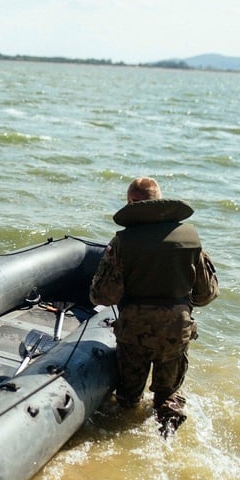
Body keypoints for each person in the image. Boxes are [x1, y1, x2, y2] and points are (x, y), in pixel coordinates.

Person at [89, 177, 218, 437]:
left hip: (134, 332)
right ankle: (167, 435)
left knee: (127, 399)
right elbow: (206, 294)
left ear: (131, 203)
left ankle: (120, 438)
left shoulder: (122, 242)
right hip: (176, 331)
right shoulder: (190, 240)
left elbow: (103, 296)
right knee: (168, 395)